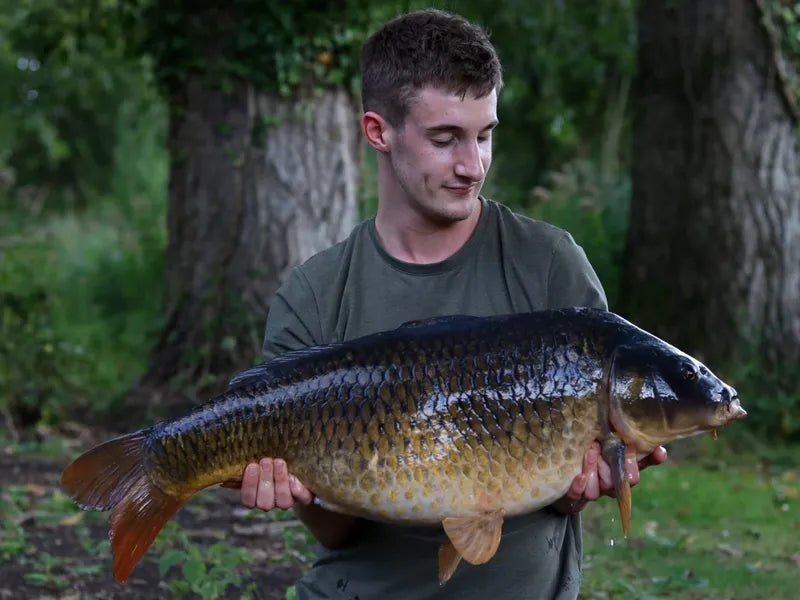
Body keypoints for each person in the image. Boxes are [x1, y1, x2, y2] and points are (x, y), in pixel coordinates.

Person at [237, 9, 666, 599]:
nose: (474, 166)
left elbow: (567, 491)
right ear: (378, 131)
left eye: (485, 134)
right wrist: (296, 489)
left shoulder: (548, 263)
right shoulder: (315, 294)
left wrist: (584, 483)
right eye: (446, 139)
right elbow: (336, 533)